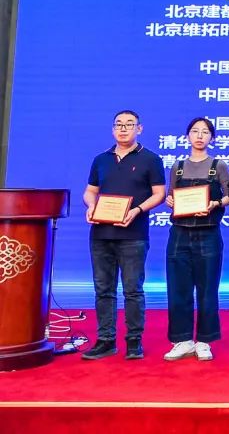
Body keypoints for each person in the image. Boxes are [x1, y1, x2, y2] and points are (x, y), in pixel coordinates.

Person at [81, 110, 166, 361]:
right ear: (112, 129)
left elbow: (159, 194)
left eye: (129, 124)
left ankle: (134, 341)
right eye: (119, 124)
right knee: (103, 289)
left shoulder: (151, 159)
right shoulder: (101, 159)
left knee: (133, 290)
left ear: (139, 129)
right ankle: (106, 340)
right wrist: (91, 206)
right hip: (101, 233)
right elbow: (90, 191)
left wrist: (137, 210)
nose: (123, 128)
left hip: (133, 234)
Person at [163, 117, 229, 362]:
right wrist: (170, 201)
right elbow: (171, 196)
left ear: (211, 137)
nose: (200, 136)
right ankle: (182, 340)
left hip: (208, 233)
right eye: (195, 131)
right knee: (178, 288)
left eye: (205, 132)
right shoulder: (178, 166)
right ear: (188, 136)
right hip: (179, 233)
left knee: (207, 289)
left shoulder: (218, 165)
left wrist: (216, 203)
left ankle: (204, 341)